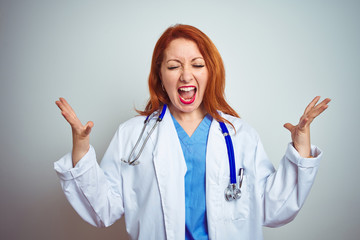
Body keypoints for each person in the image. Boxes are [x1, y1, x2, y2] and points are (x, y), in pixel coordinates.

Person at [54, 24, 331, 240]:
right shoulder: (133, 135)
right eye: (174, 66)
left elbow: (273, 208)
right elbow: (104, 209)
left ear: (210, 72)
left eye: (197, 65)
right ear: (160, 76)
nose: (186, 75)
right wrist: (80, 147)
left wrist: (301, 145)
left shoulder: (239, 135)